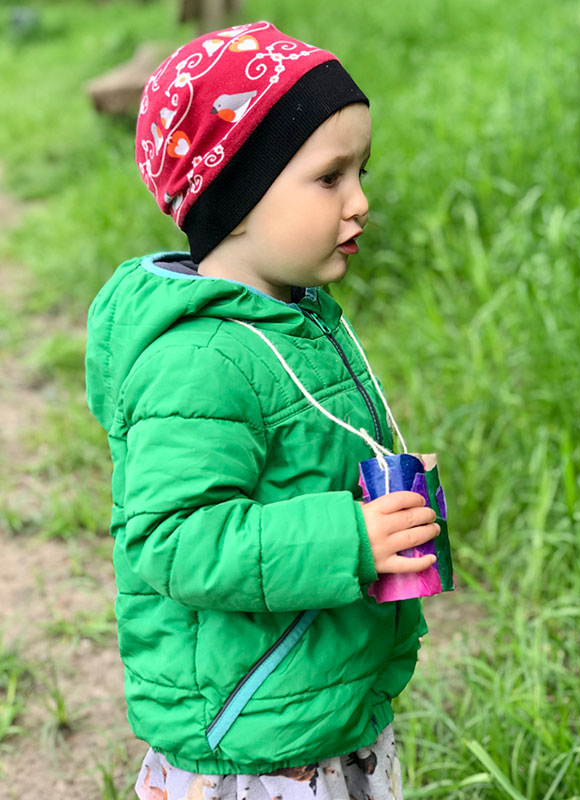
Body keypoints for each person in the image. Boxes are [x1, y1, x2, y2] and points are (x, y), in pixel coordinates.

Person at [85, 20, 440, 800]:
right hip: (252, 734)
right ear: (237, 193)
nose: (361, 203)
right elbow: (173, 539)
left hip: (313, 695)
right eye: (330, 178)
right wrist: (348, 535)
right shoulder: (197, 357)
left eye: (362, 172)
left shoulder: (295, 316)